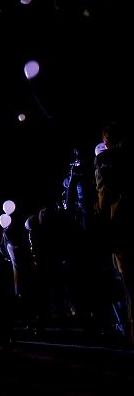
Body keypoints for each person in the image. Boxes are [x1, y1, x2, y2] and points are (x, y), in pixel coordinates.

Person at [94, 120, 132, 345]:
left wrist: (98, 211)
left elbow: (104, 194)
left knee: (128, 279)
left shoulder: (105, 160)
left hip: (122, 224)